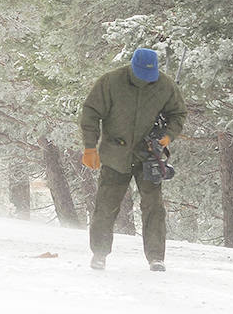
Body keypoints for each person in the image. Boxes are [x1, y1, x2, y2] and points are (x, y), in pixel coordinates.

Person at [79, 48, 188, 271]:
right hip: (115, 154)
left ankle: (156, 257)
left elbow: (178, 113)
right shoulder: (110, 82)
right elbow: (90, 112)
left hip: (149, 156)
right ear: (132, 68)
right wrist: (90, 147)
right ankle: (99, 253)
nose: (146, 80)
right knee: (106, 205)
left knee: (154, 207)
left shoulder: (165, 85)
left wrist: (167, 136)